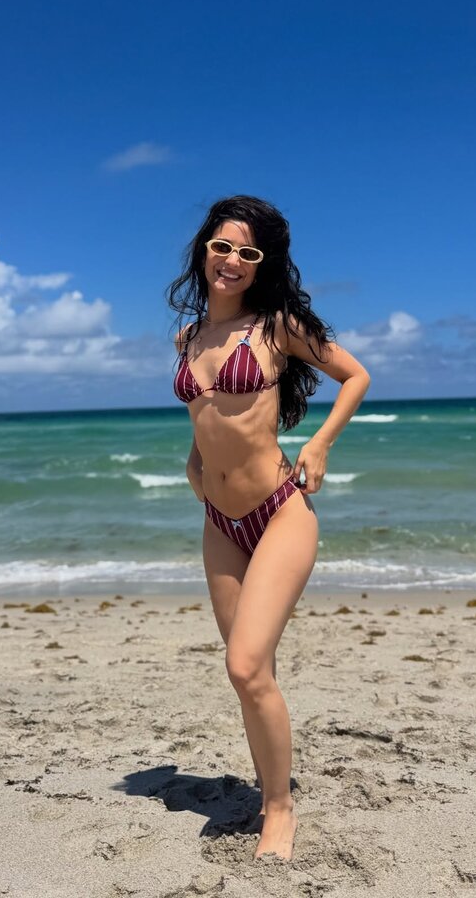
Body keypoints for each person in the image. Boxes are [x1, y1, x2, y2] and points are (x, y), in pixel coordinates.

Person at [166, 195, 370, 861]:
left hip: (279, 510)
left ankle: (279, 810)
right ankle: (267, 786)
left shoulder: (277, 326)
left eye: (247, 252)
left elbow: (355, 376)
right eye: (222, 246)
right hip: (219, 522)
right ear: (204, 249)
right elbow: (207, 417)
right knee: (252, 673)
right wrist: (194, 460)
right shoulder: (188, 337)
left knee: (245, 664)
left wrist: (320, 445)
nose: (232, 260)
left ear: (261, 264)